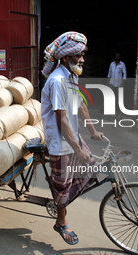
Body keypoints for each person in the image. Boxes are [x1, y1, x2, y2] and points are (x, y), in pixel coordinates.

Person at [41, 32, 103, 245]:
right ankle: (61, 221)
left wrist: (92, 131)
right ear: (65, 58)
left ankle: (65, 200)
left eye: (83, 54)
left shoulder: (72, 76)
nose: (83, 59)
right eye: (78, 55)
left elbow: (81, 104)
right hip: (60, 143)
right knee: (61, 185)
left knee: (89, 168)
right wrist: (78, 149)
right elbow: (62, 120)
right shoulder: (57, 80)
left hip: (71, 137)